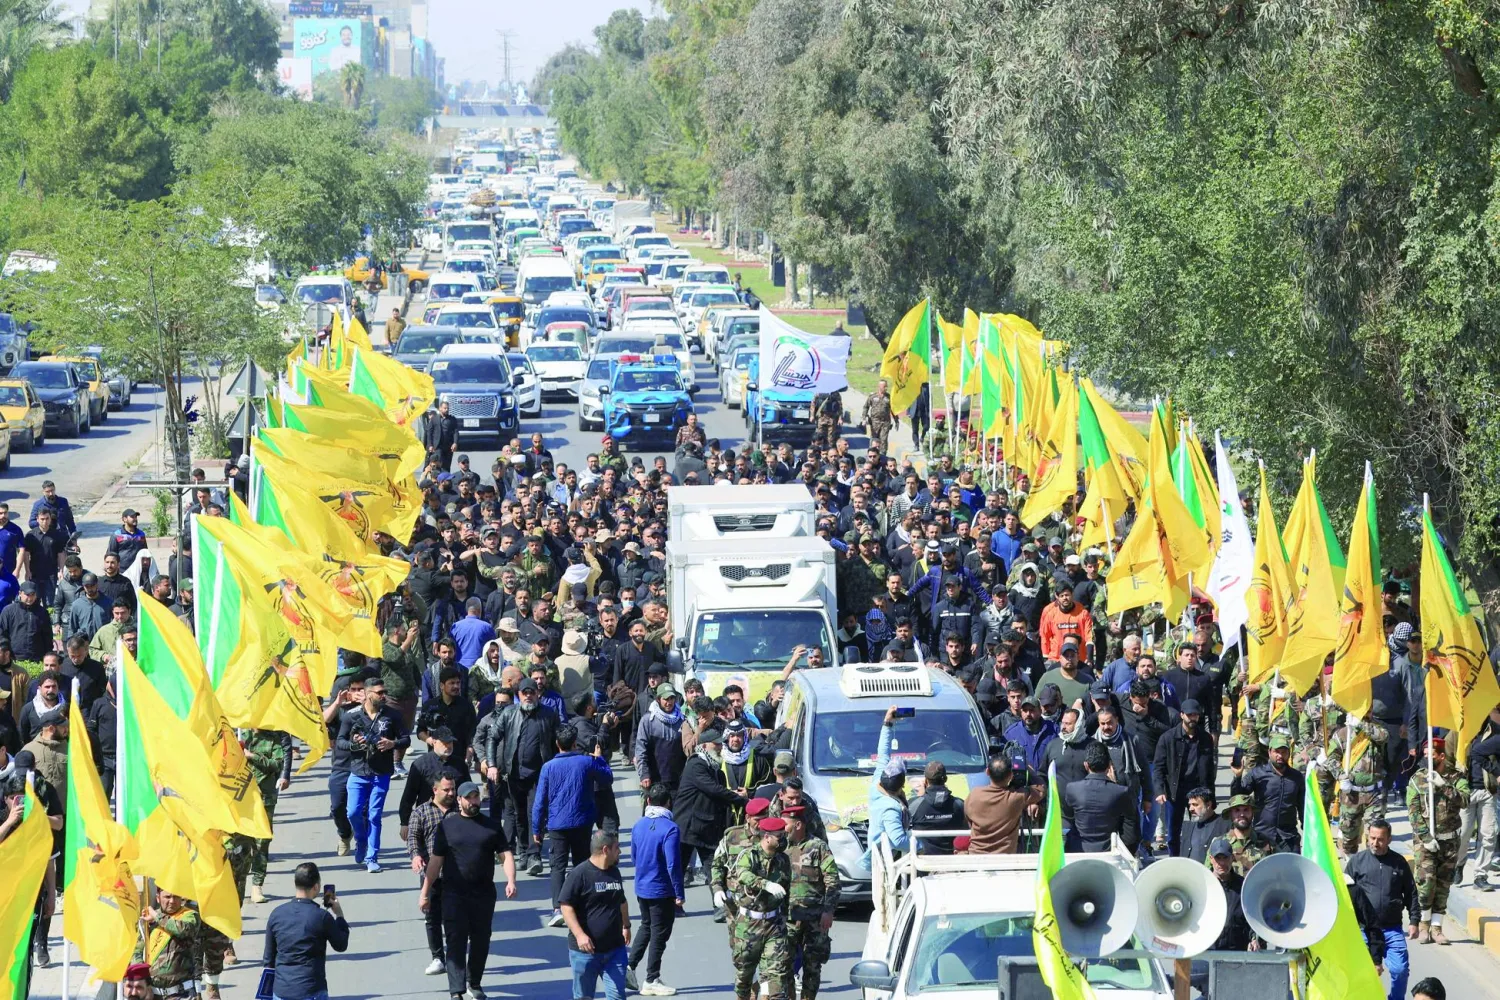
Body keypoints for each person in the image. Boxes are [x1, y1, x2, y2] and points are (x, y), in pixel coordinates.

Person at [421, 781, 518, 1000]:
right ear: (459, 800)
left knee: (481, 940)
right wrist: (425, 892)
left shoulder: (491, 826)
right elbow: (436, 861)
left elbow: (506, 855)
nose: (474, 801)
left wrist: (511, 881)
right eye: (469, 798)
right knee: (455, 940)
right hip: (453, 894)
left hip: (483, 895)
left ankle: (474, 983)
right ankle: (456, 990)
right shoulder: (447, 826)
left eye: (476, 797)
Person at [534, 724, 614, 926]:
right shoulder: (587, 762)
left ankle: (557, 908)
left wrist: (537, 828)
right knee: (581, 864)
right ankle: (580, 905)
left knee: (557, 867)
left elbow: (540, 801)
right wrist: (599, 758)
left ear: (557, 744)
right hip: (582, 822)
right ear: (575, 743)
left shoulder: (548, 767)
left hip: (557, 824)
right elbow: (607, 777)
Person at [483, 677, 560, 876]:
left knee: (535, 813)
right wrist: (492, 765)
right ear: (518, 695)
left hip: (539, 775)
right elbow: (492, 737)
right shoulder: (509, 713)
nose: (528, 696)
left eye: (531, 692)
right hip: (514, 774)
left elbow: (558, 741)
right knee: (519, 814)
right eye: (524, 693)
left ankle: (534, 854)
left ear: (537, 694)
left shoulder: (548, 715)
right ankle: (524, 852)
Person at [336, 674, 410, 873]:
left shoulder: (392, 715)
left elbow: (406, 739)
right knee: (352, 812)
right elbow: (340, 741)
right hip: (358, 771)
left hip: (381, 773)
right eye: (379, 693)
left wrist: (392, 743)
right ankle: (361, 839)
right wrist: (354, 744)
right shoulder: (352, 716)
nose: (384, 695)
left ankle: (372, 857)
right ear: (368, 694)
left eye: (384, 692)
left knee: (374, 815)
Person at [1346, 819, 1417, 1000]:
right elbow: (1345, 894)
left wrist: (1414, 921)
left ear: (1389, 839)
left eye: (1380, 839)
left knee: (1400, 970)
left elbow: (1411, 892)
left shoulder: (1399, 863)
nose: (1375, 843)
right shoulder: (1357, 862)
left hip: (1392, 929)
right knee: (1363, 971)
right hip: (1365, 930)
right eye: (1372, 838)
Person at [1407, 737, 1467, 944]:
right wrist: (1425, 837)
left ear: (1441, 756)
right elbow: (1413, 812)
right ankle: (1423, 925)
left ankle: (1437, 927)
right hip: (1426, 842)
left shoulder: (1456, 778)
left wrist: (1444, 787)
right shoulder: (1417, 779)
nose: (1426, 759)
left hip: (1449, 842)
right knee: (1426, 884)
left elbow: (1465, 800)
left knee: (1443, 885)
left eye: (1430, 755)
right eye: (1424, 755)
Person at [627, 782, 684, 996]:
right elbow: (673, 864)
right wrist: (679, 892)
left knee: (646, 926)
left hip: (642, 886)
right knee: (660, 934)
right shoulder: (670, 829)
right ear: (668, 803)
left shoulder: (638, 825)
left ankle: (630, 966)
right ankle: (651, 978)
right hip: (662, 890)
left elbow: (634, 857)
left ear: (648, 801)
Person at [560, 829, 631, 1000]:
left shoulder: (614, 872)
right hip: (585, 953)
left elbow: (621, 901)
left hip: (615, 950)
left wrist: (626, 925)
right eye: (617, 847)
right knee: (584, 997)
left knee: (617, 996)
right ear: (605, 850)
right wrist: (580, 935)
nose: (620, 851)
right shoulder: (579, 874)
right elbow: (566, 906)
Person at [263, 862, 350, 1000]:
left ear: (296, 884)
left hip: (281, 991)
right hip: (311, 990)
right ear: (316, 887)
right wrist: (339, 915)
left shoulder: (276, 914)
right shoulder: (322, 917)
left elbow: (269, 958)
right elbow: (341, 945)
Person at [728, 815, 793, 1000]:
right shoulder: (749, 855)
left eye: (783, 835)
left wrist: (787, 919)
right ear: (767, 837)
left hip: (774, 924)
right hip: (749, 924)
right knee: (744, 975)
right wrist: (766, 884)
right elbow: (743, 874)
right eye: (779, 836)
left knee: (776, 974)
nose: (783, 840)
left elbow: (786, 891)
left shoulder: (783, 860)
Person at [781, 805, 839, 1000]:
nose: (782, 829)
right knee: (784, 965)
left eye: (785, 825)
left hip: (815, 919)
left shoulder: (818, 847)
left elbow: (832, 881)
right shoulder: (780, 848)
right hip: (788, 918)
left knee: (812, 967)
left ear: (798, 825)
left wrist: (828, 911)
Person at [407, 769, 459, 977]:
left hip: (458, 874)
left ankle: (455, 957)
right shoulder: (421, 812)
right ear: (435, 790)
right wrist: (415, 856)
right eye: (446, 789)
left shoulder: (460, 810)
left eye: (453, 789)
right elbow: (413, 837)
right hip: (432, 874)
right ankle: (438, 957)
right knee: (432, 917)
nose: (451, 793)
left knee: (455, 918)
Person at [1151, 699, 1216, 856]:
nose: (1193, 718)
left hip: (1198, 790)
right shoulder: (1168, 738)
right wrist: (1160, 790)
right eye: (1189, 715)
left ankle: (1198, 858)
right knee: (1174, 831)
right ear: (1181, 715)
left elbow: (1209, 770)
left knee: (1201, 827)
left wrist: (1211, 796)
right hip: (1175, 791)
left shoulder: (1205, 738)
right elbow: (1158, 767)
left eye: (1195, 715)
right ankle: (1174, 860)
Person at [1231, 732, 1304, 852]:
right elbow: (1238, 797)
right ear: (1270, 752)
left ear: (1289, 753)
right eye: (1277, 752)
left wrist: (1309, 830)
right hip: (1262, 837)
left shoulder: (1297, 777)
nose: (1280, 755)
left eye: (1284, 752)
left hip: (1288, 838)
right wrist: (1238, 777)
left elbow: (1303, 807)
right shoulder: (1257, 773)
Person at [245, 728, 292, 904]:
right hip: (241, 797)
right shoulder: (240, 735)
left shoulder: (272, 738)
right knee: (240, 844)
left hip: (265, 797)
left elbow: (277, 764)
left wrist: (251, 756)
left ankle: (257, 884)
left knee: (262, 842)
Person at [965, 753, 1042, 854]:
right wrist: (1027, 767)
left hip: (976, 855)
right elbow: (1041, 789)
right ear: (1011, 775)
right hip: (1004, 857)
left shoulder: (974, 795)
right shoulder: (1016, 797)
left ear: (987, 772)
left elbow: (969, 821)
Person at [864, 705, 912, 863]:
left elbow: (883, 752)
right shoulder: (890, 807)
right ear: (901, 786)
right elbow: (898, 841)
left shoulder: (877, 783)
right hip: (889, 864)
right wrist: (920, 845)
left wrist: (888, 723)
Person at [133, 888, 201, 998]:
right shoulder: (149, 920)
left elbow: (182, 930)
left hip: (181, 993)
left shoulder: (189, 916)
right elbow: (137, 950)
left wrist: (157, 916)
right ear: (158, 898)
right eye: (167, 897)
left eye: (176, 897)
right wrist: (140, 977)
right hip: (153, 993)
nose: (172, 901)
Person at [1065, 743, 1133, 852]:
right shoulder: (1121, 791)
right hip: (1110, 851)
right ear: (1109, 765)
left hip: (1078, 850)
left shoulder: (1072, 789)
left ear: (1086, 765)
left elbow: (1068, 820)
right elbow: (1130, 826)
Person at [909, 760, 966, 854]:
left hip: (922, 859)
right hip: (952, 859)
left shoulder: (913, 805)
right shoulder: (959, 805)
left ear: (926, 781)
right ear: (946, 779)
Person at [1179, 787, 1231, 864]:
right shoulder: (1187, 827)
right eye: (1190, 805)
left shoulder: (1225, 825)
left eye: (1195, 805)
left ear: (1208, 805)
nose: (1190, 809)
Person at [861, 379, 894, 456]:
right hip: (874, 422)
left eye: (886, 386)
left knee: (883, 440)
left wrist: (896, 420)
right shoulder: (873, 396)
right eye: (884, 386)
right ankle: (871, 454)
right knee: (874, 440)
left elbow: (893, 409)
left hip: (885, 422)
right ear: (879, 387)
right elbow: (866, 407)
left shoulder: (889, 397)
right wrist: (864, 418)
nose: (886, 388)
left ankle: (882, 455)